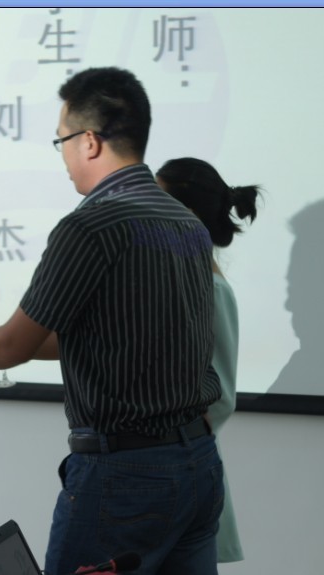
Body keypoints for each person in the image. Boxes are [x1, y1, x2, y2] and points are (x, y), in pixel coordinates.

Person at [0, 67, 223, 575]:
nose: (61, 156)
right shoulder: (185, 221)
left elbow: (10, 350)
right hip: (198, 463)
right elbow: (118, 336)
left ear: (89, 141)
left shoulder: (90, 225)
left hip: (124, 476)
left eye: (60, 140)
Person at [156, 157, 260, 563]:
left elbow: (220, 398)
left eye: (157, 201)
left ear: (187, 214)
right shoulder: (179, 283)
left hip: (181, 470)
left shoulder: (211, 290)